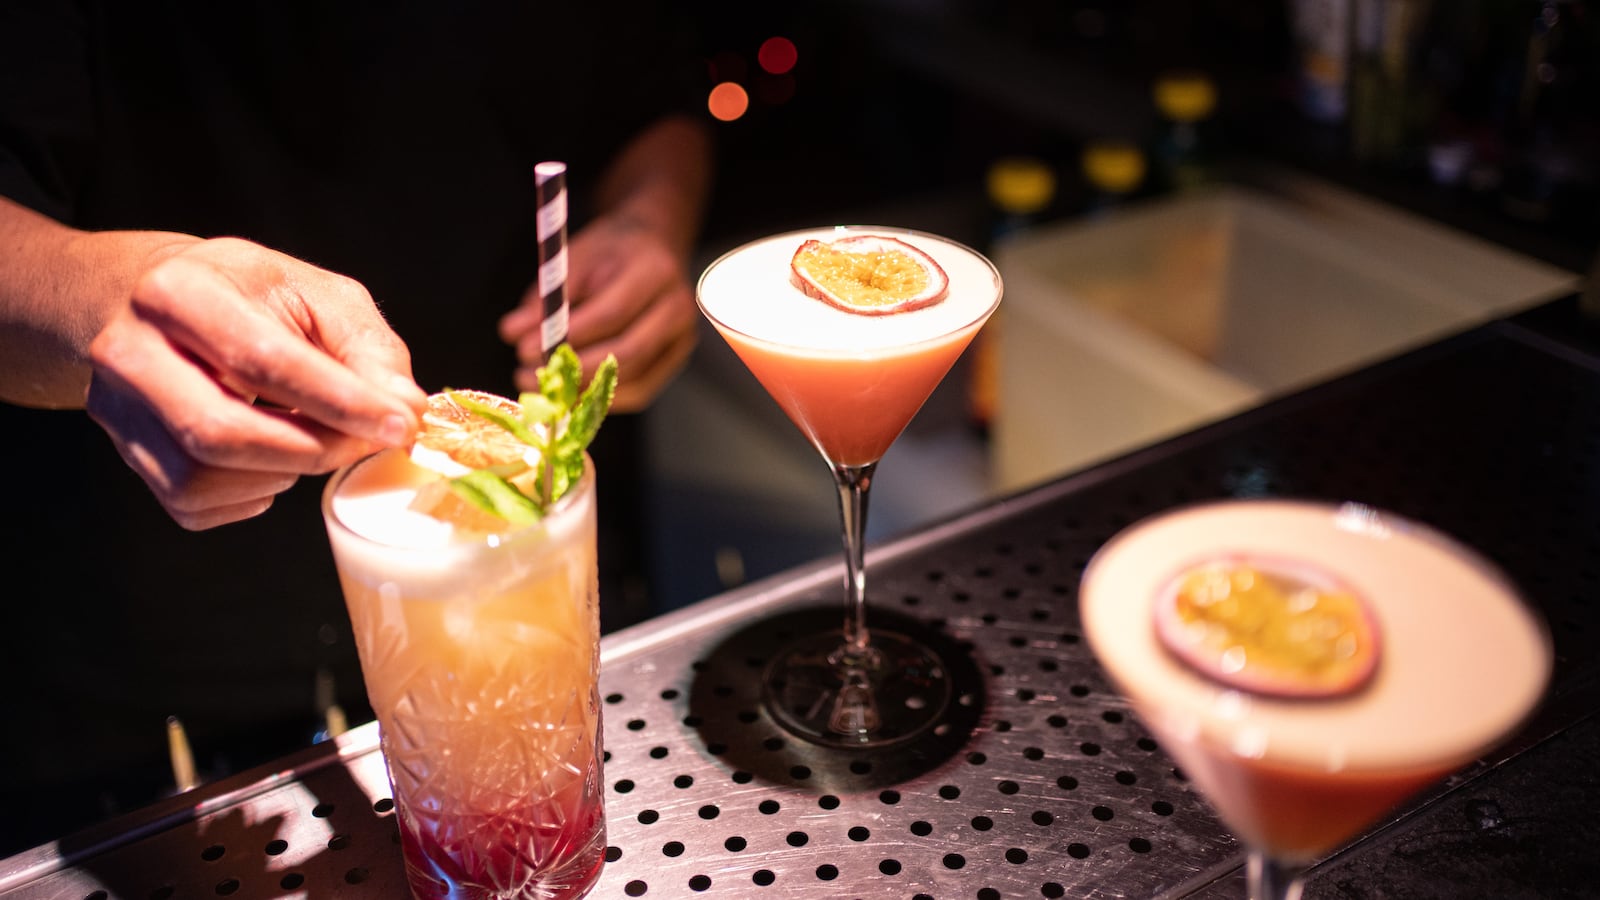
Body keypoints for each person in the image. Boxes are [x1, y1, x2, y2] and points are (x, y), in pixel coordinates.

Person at [0, 1, 712, 853]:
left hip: (536, 550)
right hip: (141, 640)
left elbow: (656, 92)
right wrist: (105, 297)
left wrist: (648, 218)